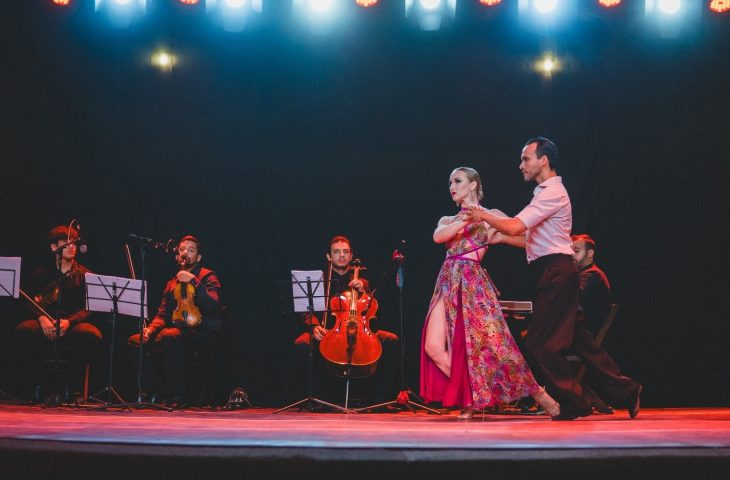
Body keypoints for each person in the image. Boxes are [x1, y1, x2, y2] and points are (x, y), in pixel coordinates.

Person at [466, 137, 642, 420]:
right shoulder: (543, 193)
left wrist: (482, 214)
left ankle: (577, 402)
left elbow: (515, 224)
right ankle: (626, 391)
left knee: (538, 344)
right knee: (580, 341)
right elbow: (531, 240)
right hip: (554, 270)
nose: (520, 165)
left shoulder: (552, 193)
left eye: (525, 159)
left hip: (557, 273)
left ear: (543, 160)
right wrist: (500, 237)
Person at [420, 167, 560, 419]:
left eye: (458, 180)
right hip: (447, 283)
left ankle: (538, 393)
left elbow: (526, 237)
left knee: (498, 347)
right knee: (433, 346)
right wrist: (466, 218)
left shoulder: (491, 216)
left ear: (473, 185)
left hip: (473, 284)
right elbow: (439, 237)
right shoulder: (447, 220)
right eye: (450, 181)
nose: (452, 185)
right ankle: (472, 394)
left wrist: (500, 236)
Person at [293, 236, 398, 407]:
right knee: (301, 344)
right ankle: (319, 400)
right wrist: (314, 326)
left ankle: (381, 400)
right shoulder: (320, 281)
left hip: (360, 331)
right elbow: (307, 310)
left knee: (391, 340)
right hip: (327, 331)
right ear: (329, 257)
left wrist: (364, 292)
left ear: (350, 256)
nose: (341, 255)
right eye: (336, 252)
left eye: (345, 252)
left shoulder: (362, 281)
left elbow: (373, 312)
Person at [128, 235, 222, 408]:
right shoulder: (171, 283)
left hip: (202, 331)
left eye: (191, 250)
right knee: (137, 340)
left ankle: (177, 395)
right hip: (178, 332)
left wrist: (194, 281)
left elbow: (212, 306)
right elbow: (162, 314)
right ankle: (151, 392)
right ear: (177, 255)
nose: (185, 252)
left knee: (170, 336)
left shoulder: (207, 276)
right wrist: (149, 330)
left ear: (198, 258)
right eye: (182, 249)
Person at [14, 224, 102, 404]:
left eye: (74, 243)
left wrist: (69, 321)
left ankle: (69, 387)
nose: (71, 247)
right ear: (54, 247)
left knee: (90, 334)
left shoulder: (86, 275)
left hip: (72, 325)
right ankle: (36, 386)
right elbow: (27, 299)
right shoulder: (41, 273)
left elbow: (90, 307)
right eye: (66, 243)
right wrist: (41, 318)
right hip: (45, 323)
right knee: (24, 330)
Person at [571, 234, 611, 337]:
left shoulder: (592, 275)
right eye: (570, 251)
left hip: (582, 339)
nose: (572, 255)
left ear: (590, 253)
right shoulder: (585, 274)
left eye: (576, 251)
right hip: (577, 335)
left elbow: (575, 305)